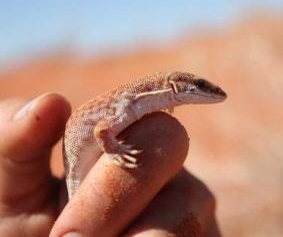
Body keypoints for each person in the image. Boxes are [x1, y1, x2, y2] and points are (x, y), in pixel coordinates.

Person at [0, 93, 220, 236]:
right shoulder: (126, 105)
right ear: (175, 87)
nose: (209, 91)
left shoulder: (134, 105)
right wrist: (114, 149)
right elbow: (100, 130)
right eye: (200, 87)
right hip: (74, 179)